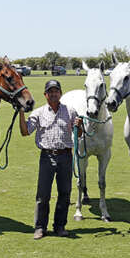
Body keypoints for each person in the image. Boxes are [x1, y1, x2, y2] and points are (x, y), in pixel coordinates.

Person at [19, 79, 82, 239]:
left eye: (56, 91)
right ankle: (40, 227)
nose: (54, 94)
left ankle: (60, 226)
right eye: (50, 92)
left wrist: (79, 126)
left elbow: (78, 134)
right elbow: (25, 131)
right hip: (47, 156)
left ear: (60, 93)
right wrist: (20, 112)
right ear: (45, 95)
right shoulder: (38, 113)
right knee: (43, 195)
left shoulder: (71, 111)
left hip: (66, 156)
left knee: (65, 193)